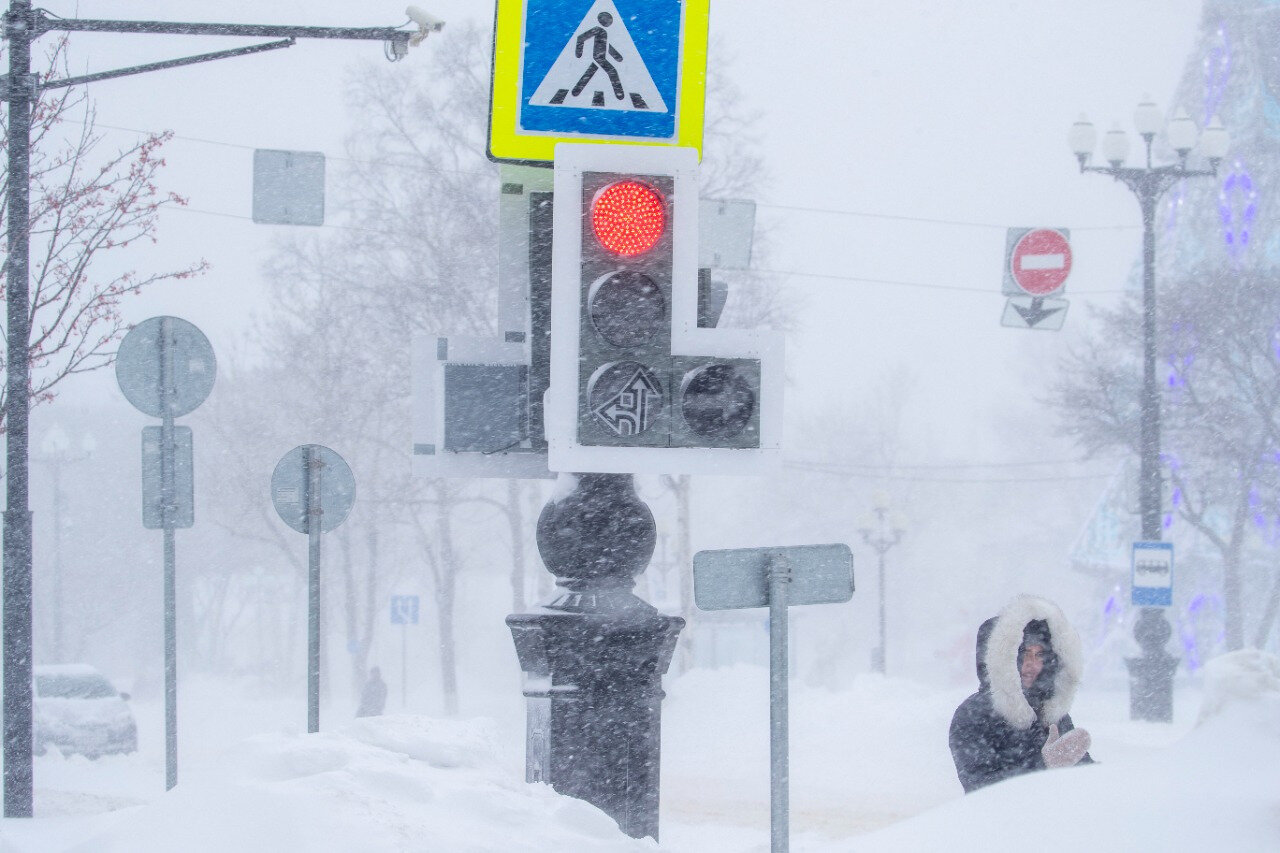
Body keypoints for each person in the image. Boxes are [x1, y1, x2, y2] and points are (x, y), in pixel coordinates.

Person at [949, 595, 1094, 793]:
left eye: (1039, 654)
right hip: (999, 823)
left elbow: (1086, 784)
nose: (1031, 664)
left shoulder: (1050, 713)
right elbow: (980, 787)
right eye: (1023, 653)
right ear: (1000, 657)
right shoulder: (973, 715)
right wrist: (1043, 765)